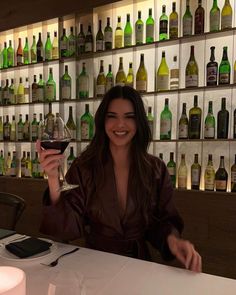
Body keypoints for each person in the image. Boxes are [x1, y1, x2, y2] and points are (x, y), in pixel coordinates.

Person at [36, 85, 201, 272]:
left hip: (139, 266)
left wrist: (173, 241)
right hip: (95, 265)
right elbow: (67, 227)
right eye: (112, 116)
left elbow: (163, 221)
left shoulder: (155, 169)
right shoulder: (84, 167)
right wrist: (52, 177)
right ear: (102, 121)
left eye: (129, 117)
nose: (120, 124)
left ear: (139, 122)